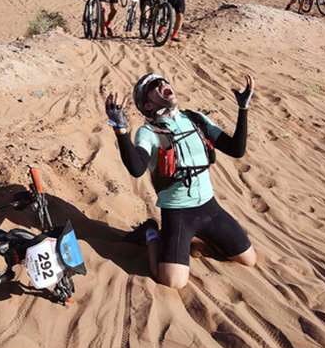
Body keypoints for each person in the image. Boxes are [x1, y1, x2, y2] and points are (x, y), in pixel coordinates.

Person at [105, 73, 257, 289]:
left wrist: (243, 109)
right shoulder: (148, 132)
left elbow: (236, 149)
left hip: (209, 207)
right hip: (177, 213)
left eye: (165, 81)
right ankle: (151, 234)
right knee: (173, 282)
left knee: (249, 260)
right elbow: (137, 169)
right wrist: (121, 131)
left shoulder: (195, 119)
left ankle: (197, 239)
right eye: (155, 86)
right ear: (147, 105)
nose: (164, 84)